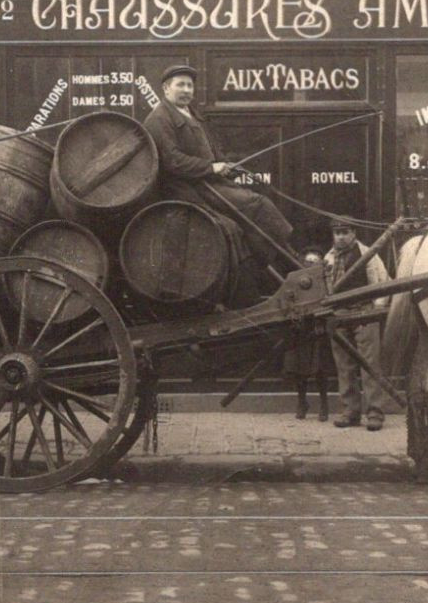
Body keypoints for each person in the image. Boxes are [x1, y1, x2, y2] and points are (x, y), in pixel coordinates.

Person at [142, 64, 295, 282]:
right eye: (180, 85)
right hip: (190, 190)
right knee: (257, 205)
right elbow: (172, 161)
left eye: (190, 86)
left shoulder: (192, 114)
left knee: (256, 207)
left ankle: (280, 261)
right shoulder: (158, 119)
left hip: (210, 184)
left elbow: (213, 151)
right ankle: (286, 263)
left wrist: (225, 166)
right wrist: (212, 168)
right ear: (166, 89)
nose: (186, 90)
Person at [324, 220, 390, 431]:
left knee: (370, 365)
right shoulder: (329, 257)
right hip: (340, 314)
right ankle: (350, 412)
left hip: (364, 312)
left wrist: (375, 309)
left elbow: (382, 281)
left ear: (353, 233)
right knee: (344, 366)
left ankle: (375, 413)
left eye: (345, 232)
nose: (341, 237)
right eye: (337, 233)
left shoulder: (368, 254)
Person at [282, 245, 331, 421]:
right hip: (299, 328)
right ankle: (302, 402)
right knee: (298, 368)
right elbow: (287, 299)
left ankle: (324, 404)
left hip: (318, 328)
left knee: (319, 369)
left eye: (315, 263)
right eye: (308, 262)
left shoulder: (325, 279)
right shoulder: (295, 280)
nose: (311, 266)